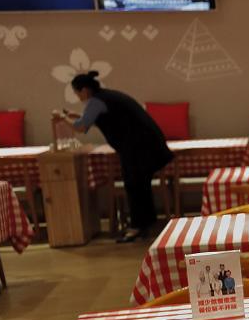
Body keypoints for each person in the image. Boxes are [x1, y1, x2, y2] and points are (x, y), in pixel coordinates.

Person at [55, 71, 174, 243]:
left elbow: (81, 127)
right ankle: (143, 225)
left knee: (134, 185)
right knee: (139, 185)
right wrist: (73, 116)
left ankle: (137, 227)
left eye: (77, 92)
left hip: (139, 147)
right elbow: (97, 119)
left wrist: (62, 118)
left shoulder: (96, 102)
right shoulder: (106, 97)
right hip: (146, 144)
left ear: (85, 90)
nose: (77, 96)